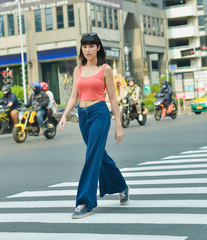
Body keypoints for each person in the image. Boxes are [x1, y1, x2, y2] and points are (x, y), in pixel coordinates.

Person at [58, 33, 128, 219]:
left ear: (98, 47)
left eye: (91, 46)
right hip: (83, 115)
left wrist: (118, 125)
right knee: (99, 154)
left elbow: (112, 98)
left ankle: (85, 202)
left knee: (91, 156)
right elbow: (74, 96)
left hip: (99, 113)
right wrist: (64, 115)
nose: (87, 49)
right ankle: (121, 186)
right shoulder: (78, 70)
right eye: (84, 46)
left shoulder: (105, 69)